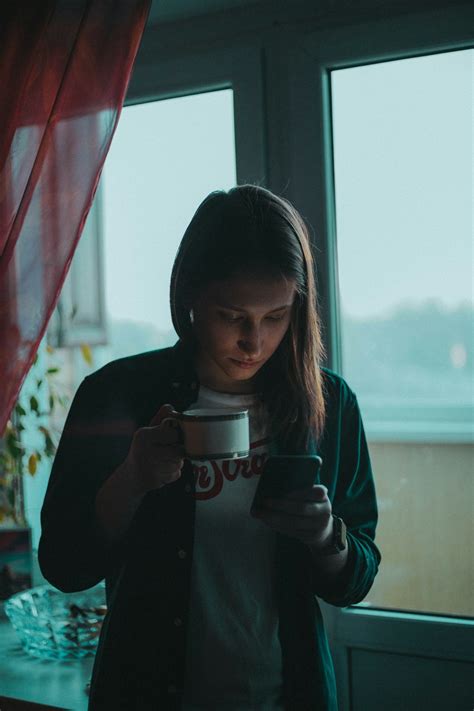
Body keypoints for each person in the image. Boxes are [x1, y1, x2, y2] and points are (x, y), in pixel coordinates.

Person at [38, 184, 381, 711]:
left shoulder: (329, 404)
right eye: (232, 316)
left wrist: (325, 535)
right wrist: (132, 477)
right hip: (146, 694)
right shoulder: (117, 394)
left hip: (289, 694)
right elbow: (64, 565)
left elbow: (355, 579)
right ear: (189, 296)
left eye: (275, 317)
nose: (255, 341)